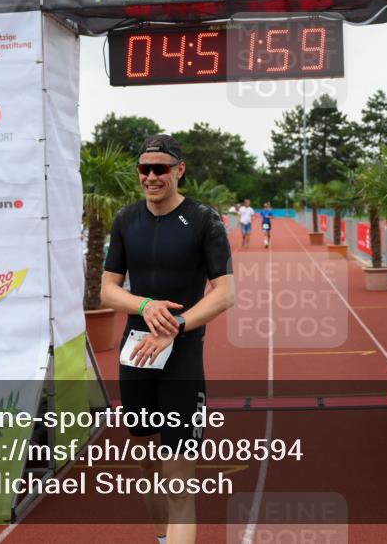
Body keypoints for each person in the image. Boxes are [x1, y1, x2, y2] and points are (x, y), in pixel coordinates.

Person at [101, 134, 235, 544]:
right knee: (147, 465)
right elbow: (108, 290)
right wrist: (144, 307)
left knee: (178, 479)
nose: (153, 176)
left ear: (179, 171)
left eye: (161, 168)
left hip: (182, 358)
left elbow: (226, 293)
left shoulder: (203, 220)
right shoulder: (126, 220)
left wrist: (174, 327)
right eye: (146, 169)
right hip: (136, 357)